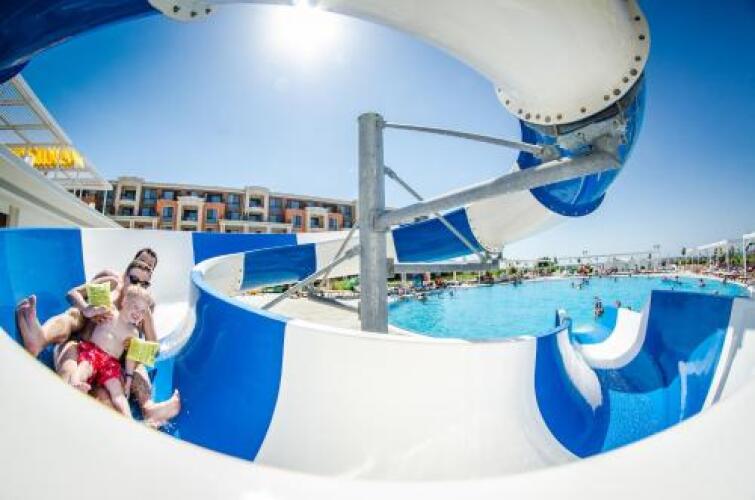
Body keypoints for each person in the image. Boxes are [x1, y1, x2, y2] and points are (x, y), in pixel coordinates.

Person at [68, 285, 152, 419]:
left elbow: (130, 358)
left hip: (111, 363)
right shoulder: (109, 310)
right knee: (85, 367)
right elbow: (89, 307)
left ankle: (127, 417)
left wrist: (128, 380)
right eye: (135, 307)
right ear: (124, 301)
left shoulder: (134, 333)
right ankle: (75, 383)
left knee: (117, 391)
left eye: (142, 311)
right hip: (94, 352)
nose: (138, 313)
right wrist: (92, 310)